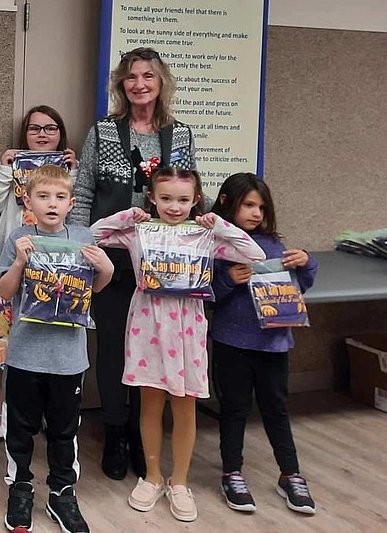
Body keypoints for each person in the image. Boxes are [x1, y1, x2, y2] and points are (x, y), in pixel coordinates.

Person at [91, 166, 264, 524]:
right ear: (152, 197)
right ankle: (152, 476)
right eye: (166, 198)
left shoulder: (205, 236)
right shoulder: (139, 231)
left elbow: (254, 253)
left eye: (183, 199)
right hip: (147, 325)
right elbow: (93, 234)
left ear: (196, 201)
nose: (174, 206)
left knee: (185, 406)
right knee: (150, 404)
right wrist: (128, 215)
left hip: (187, 326)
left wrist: (218, 224)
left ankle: (179, 481)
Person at [71, 48, 196, 479]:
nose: (139, 84)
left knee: (152, 352)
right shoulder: (103, 132)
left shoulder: (180, 135)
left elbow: (190, 197)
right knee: (111, 350)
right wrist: (78, 248)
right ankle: (116, 433)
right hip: (111, 262)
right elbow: (83, 192)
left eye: (148, 76)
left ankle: (147, 441)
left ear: (162, 83)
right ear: (121, 85)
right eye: (131, 77)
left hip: (161, 268)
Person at [0, 165, 113, 533]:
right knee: (21, 428)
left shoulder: (82, 236)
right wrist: (18, 261)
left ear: (71, 203)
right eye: (43, 196)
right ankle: (21, 488)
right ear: (27, 201)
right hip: (26, 354)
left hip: (68, 359)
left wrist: (106, 267)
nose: (51, 204)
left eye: (60, 197)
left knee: (65, 430)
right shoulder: (20, 235)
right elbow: (4, 292)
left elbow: (95, 288)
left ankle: (62, 492)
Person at [210, 174, 318, 516]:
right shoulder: (216, 245)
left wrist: (307, 263)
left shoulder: (273, 244)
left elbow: (299, 286)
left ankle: (291, 474)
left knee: (276, 409)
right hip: (232, 342)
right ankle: (232, 472)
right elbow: (205, 294)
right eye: (248, 205)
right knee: (234, 408)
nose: (256, 213)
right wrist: (228, 279)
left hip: (274, 344)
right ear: (228, 203)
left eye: (262, 206)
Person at [0, 105, 76, 442]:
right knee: (3, 343)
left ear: (60, 135)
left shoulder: (67, 174)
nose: (42, 134)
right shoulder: (13, 167)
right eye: (34, 128)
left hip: (56, 273)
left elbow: (74, 214)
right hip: (11, 269)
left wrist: (73, 170)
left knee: (48, 339)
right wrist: (5, 169)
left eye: (50, 128)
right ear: (24, 135)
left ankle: (45, 411)